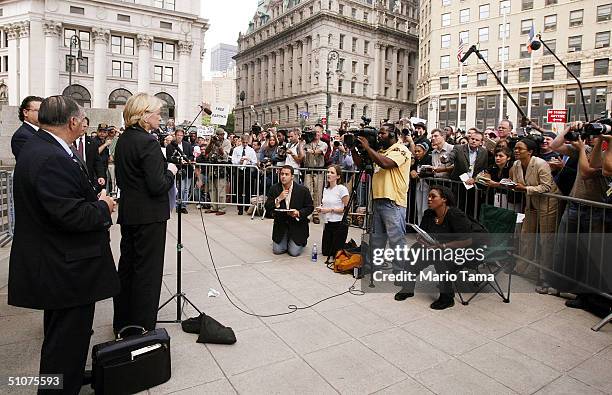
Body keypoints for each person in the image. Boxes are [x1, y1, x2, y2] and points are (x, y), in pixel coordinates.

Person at [8, 95, 119, 394]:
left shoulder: (46, 148)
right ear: (71, 121)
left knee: (68, 335)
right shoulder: (49, 156)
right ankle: (57, 387)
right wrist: (103, 206)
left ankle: (67, 377)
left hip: (63, 259)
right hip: (65, 264)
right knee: (65, 337)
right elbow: (68, 214)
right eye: (83, 120)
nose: (85, 125)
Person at [113, 93, 178, 333]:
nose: (161, 118)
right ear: (144, 115)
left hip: (131, 212)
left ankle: (123, 322)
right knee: (147, 272)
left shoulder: (124, 140)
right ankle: (142, 326)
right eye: (158, 113)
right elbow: (157, 185)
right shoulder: (147, 142)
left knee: (128, 267)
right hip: (149, 216)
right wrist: (171, 170)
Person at [353, 123, 412, 300]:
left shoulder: (401, 149)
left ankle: (401, 273)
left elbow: (386, 164)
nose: (379, 136)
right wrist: (354, 149)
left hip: (393, 201)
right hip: (378, 200)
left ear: (393, 134)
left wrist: (368, 148)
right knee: (376, 239)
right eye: (379, 133)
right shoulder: (381, 151)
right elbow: (361, 164)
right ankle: (373, 268)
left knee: (397, 241)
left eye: (383, 133)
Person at [396, 186, 474, 309]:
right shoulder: (428, 214)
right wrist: (421, 240)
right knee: (415, 250)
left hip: (459, 250)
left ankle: (447, 298)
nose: (429, 199)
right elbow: (423, 233)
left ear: (444, 199)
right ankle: (408, 288)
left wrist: (443, 246)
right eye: (429, 196)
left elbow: (467, 240)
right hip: (435, 247)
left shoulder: (455, 215)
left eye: (433, 196)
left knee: (440, 257)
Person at [509, 137, 559, 291]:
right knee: (526, 235)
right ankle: (521, 267)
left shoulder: (540, 163)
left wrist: (524, 189)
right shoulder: (516, 164)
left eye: (520, 149)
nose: (516, 151)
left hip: (548, 203)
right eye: (515, 148)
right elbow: (517, 182)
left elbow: (546, 186)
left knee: (546, 240)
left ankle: (544, 276)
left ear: (530, 151)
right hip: (531, 202)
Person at [265, 165, 314, 256]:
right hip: (281, 224)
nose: (283, 176)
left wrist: (298, 213)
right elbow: (267, 207)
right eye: (282, 174)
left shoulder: (303, 190)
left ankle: (301, 241)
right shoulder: (274, 188)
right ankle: (285, 240)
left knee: (293, 252)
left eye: (286, 174)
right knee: (277, 251)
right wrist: (278, 199)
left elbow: (310, 207)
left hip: (297, 224)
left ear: (292, 176)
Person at [317, 165, 350, 264]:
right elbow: (325, 204)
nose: (328, 174)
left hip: (339, 223)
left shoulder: (341, 189)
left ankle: (347, 246)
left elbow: (346, 208)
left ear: (338, 176)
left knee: (336, 254)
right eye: (328, 172)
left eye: (332, 173)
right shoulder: (326, 189)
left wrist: (330, 209)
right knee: (325, 252)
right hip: (328, 222)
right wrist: (321, 208)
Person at [303, 124, 328, 224]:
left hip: (318, 171)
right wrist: (303, 141)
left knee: (318, 193)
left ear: (322, 133)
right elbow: (301, 152)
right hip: (308, 170)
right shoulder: (307, 143)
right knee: (308, 192)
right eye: (315, 132)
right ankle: (307, 213)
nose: (316, 134)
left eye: (318, 132)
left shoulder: (324, 144)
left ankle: (316, 214)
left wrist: (310, 150)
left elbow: (319, 152)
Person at [166, 128, 194, 214]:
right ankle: (179, 205)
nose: (180, 137)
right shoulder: (171, 146)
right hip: (178, 170)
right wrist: (179, 161)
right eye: (178, 135)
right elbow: (169, 158)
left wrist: (188, 160)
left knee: (186, 189)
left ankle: (183, 206)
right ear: (175, 135)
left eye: (181, 135)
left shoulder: (187, 144)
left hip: (187, 169)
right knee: (180, 189)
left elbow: (191, 156)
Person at [74, 117, 106, 192]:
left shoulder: (92, 143)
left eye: (84, 126)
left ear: (88, 127)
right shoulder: (70, 141)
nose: (82, 128)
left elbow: (97, 161)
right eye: (80, 126)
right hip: (73, 178)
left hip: (88, 179)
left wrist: (101, 176)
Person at [231, 135, 258, 215]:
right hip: (239, 170)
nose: (245, 144)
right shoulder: (236, 149)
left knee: (248, 189)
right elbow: (233, 160)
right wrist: (240, 161)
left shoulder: (251, 150)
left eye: (246, 142)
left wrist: (249, 160)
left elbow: (255, 161)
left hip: (248, 170)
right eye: (243, 142)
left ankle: (247, 206)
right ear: (241, 141)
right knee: (238, 189)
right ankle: (240, 208)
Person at [11, 95, 44, 160]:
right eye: (39, 111)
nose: (42, 114)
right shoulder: (21, 136)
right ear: (25, 112)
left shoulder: (42, 131)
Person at [408, 142, 432, 224]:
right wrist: (412, 171)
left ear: (424, 151)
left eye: (419, 151)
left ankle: (424, 230)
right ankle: (419, 228)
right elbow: (412, 169)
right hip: (419, 186)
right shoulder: (416, 160)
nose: (417, 153)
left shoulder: (429, 158)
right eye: (415, 151)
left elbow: (431, 171)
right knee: (419, 208)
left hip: (426, 185)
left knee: (424, 208)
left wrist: (419, 174)